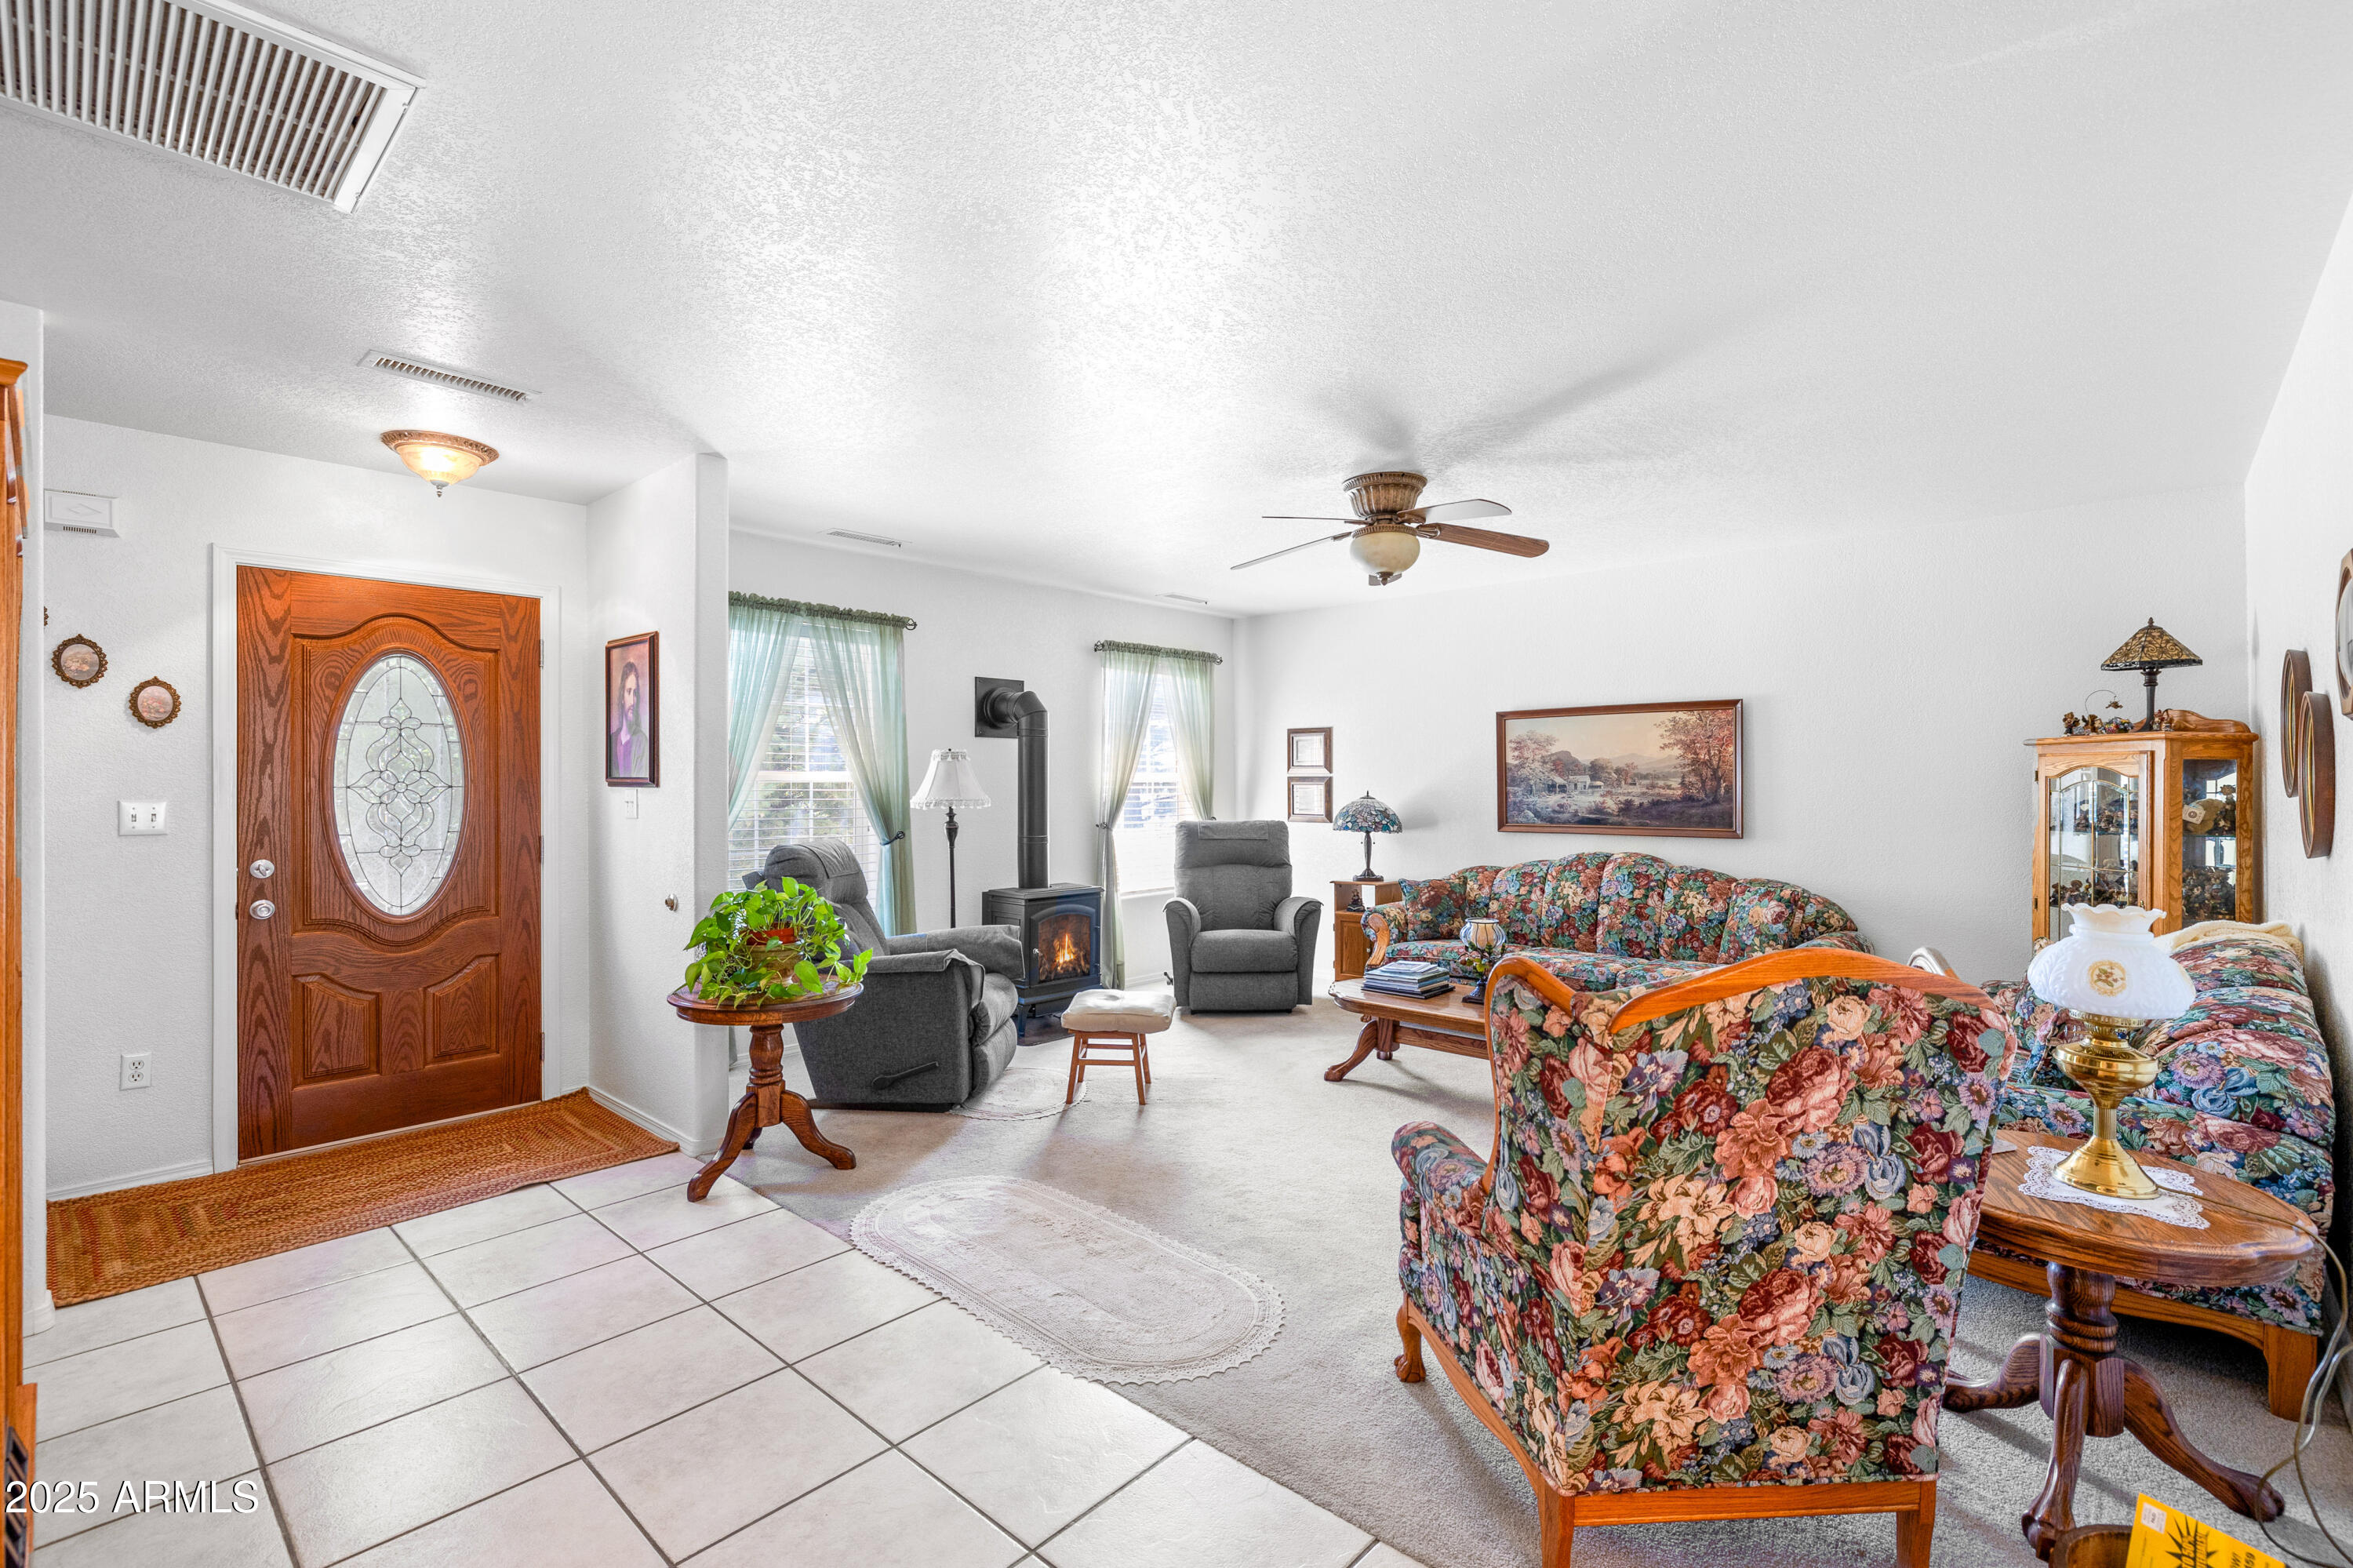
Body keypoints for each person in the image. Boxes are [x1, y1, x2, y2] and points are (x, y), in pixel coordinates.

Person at [611, 658, 647, 777]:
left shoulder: (642, 741)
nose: (632, 701)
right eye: (629, 692)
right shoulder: (613, 740)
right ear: (622, 697)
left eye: (635, 693)